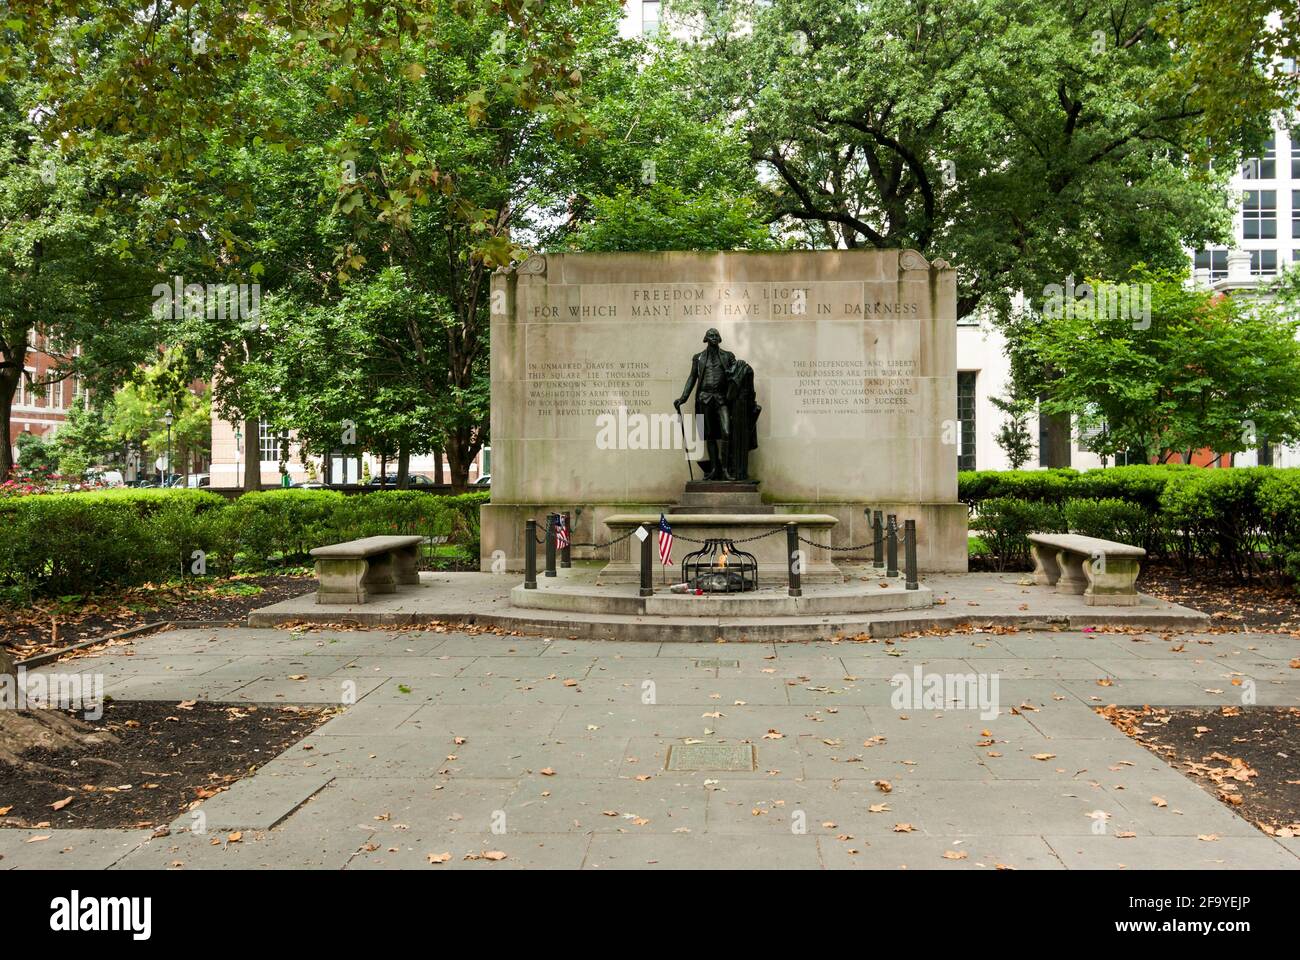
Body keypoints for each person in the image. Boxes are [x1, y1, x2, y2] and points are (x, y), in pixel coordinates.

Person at [674, 328, 736, 480]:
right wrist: (683, 398)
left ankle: (726, 469)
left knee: (727, 432)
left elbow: (737, 377)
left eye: (716, 335)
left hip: (722, 399)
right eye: (711, 336)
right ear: (706, 339)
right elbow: (692, 378)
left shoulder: (728, 356)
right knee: (709, 435)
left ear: (719, 338)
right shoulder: (699, 358)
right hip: (704, 398)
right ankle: (715, 469)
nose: (714, 338)